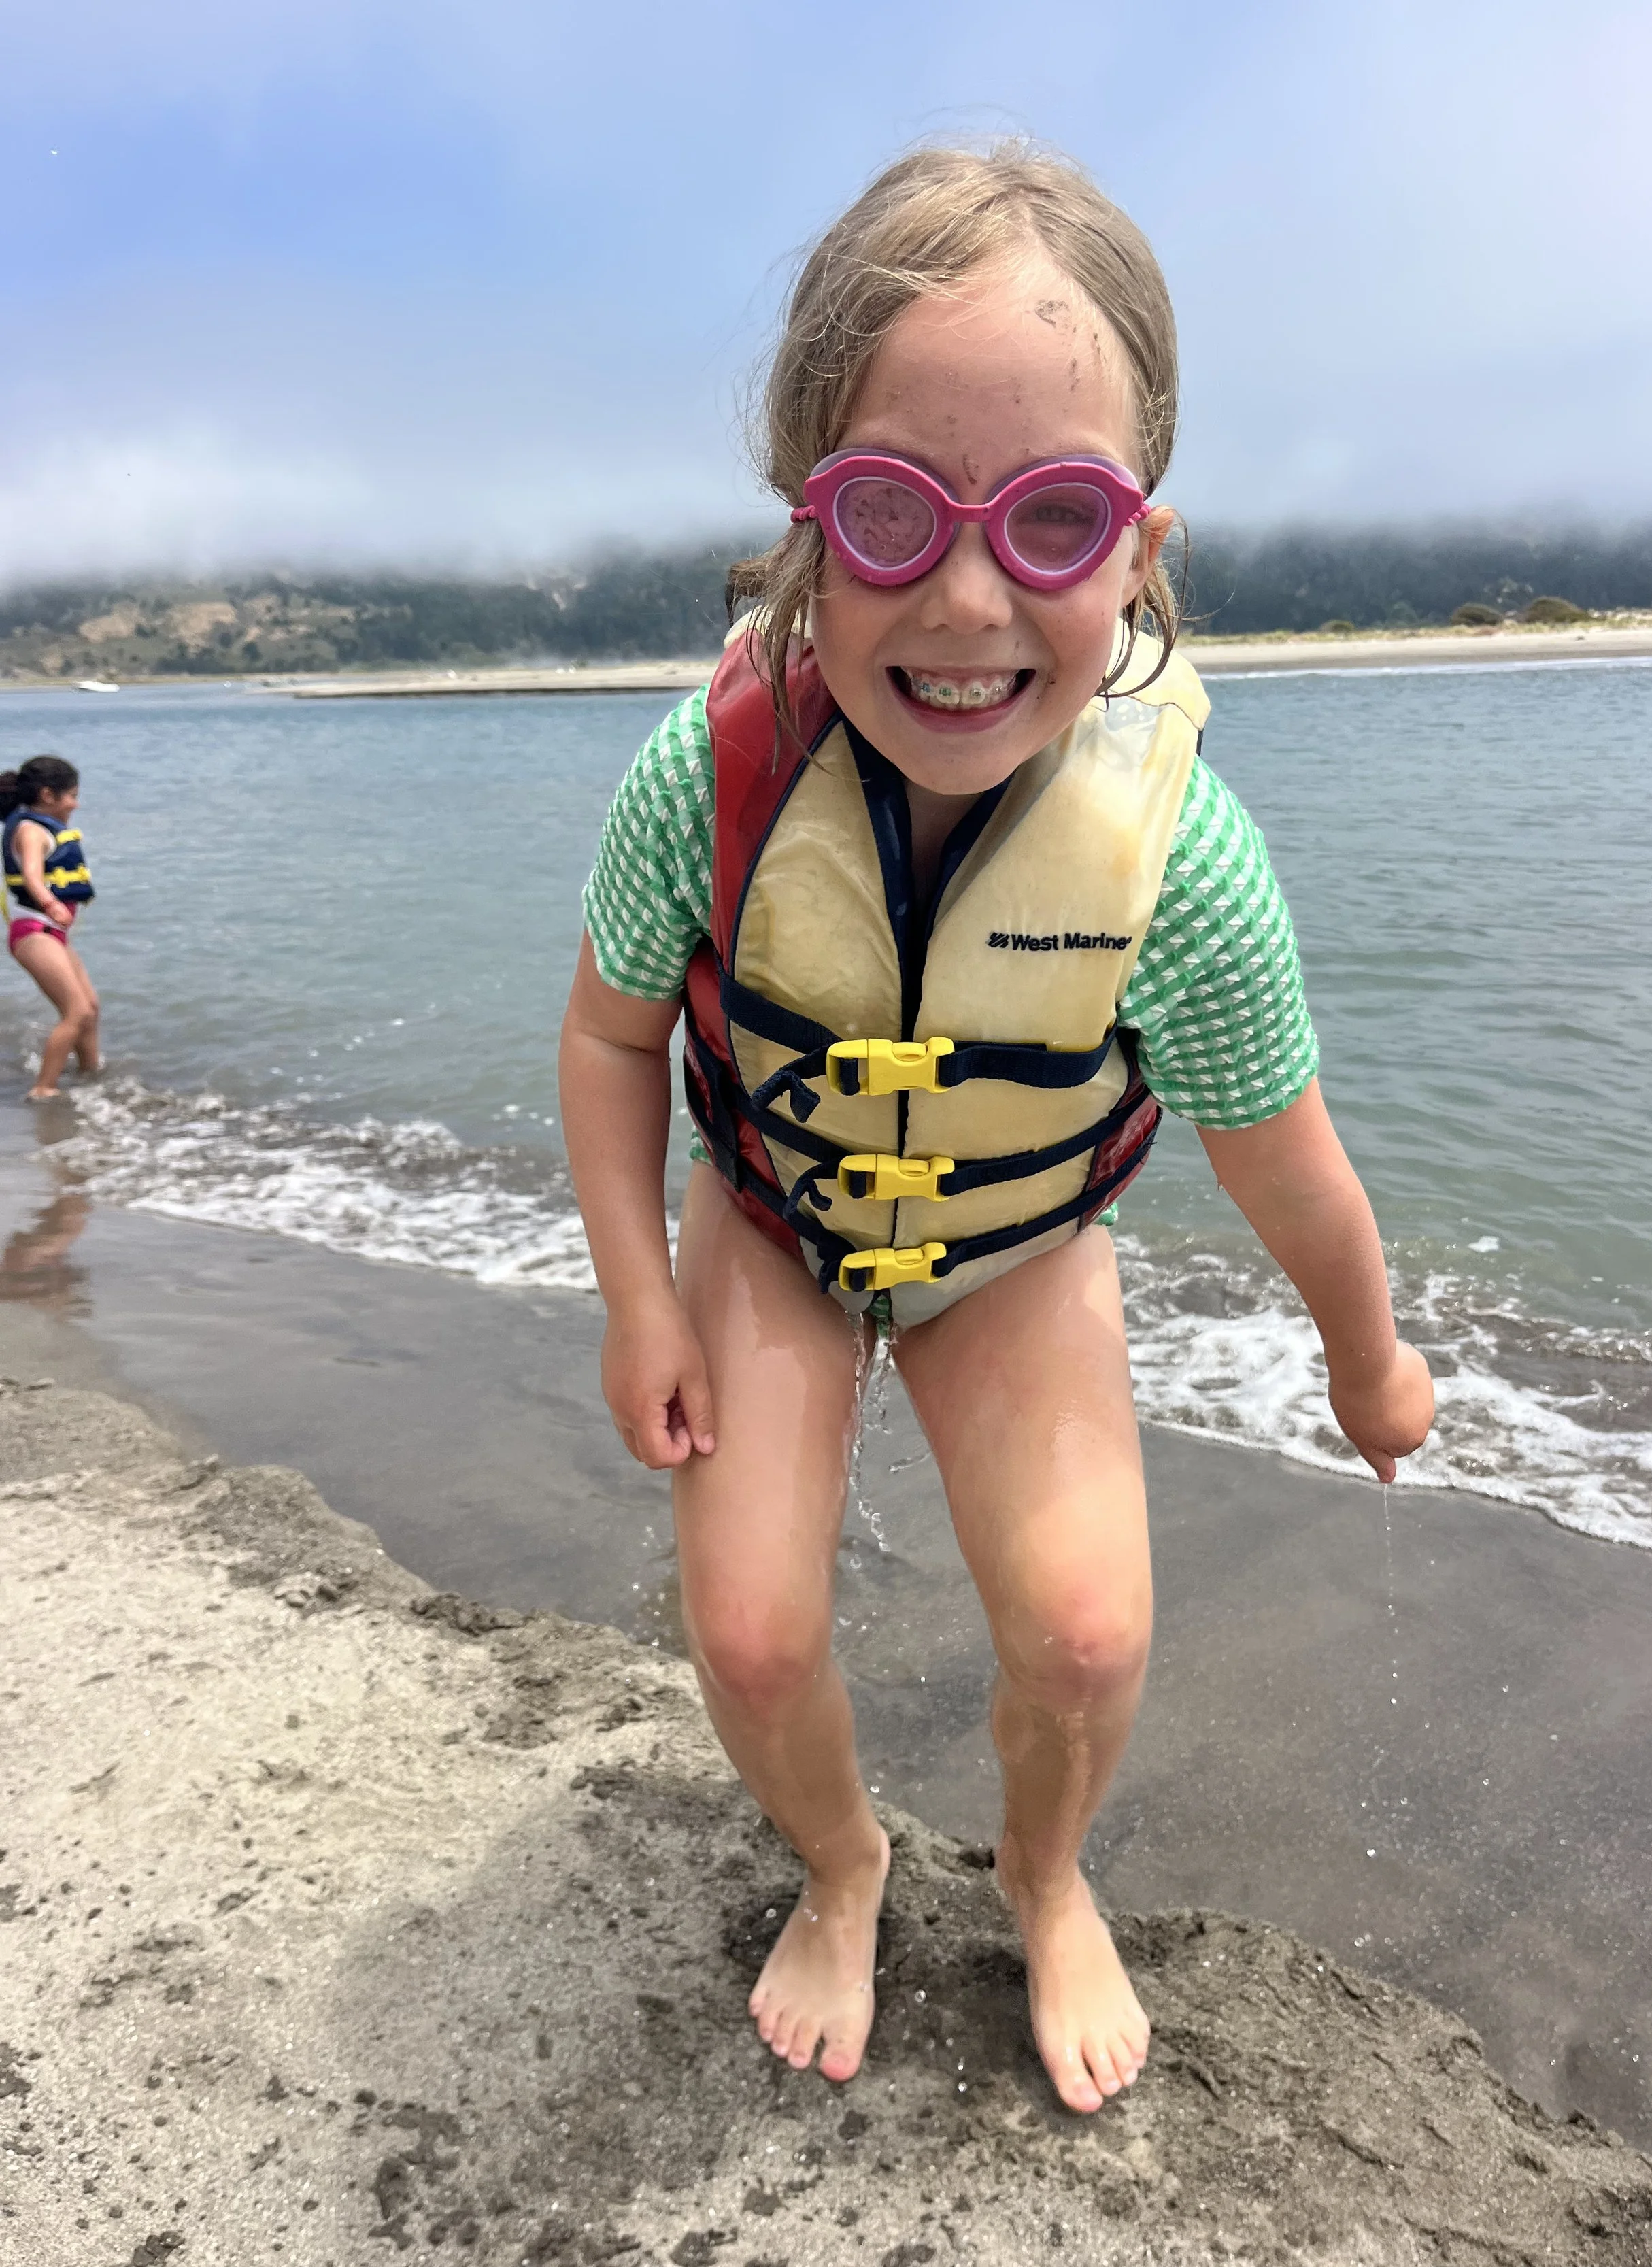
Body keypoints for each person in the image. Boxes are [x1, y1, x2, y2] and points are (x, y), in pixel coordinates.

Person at [558, 144, 1434, 2116]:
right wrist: (638, 1295)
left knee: (1087, 1624)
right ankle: (846, 1862)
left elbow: (1284, 1156)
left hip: (1013, 1248)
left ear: (1138, 545)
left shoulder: (1182, 866)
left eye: (1051, 520)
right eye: (887, 511)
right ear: (805, 517)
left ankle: (1044, 1873)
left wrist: (1364, 1356)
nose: (963, 599)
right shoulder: (697, 785)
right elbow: (612, 1041)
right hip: (772, 1214)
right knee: (757, 1628)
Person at [2, 754, 101, 1100]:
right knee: (75, 1012)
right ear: (48, 795)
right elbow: (31, 875)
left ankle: (92, 1077)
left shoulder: (40, 826)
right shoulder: (31, 831)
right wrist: (50, 903)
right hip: (34, 932)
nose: (75, 803)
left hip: (51, 933)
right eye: (71, 795)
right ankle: (44, 1089)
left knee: (91, 1009)